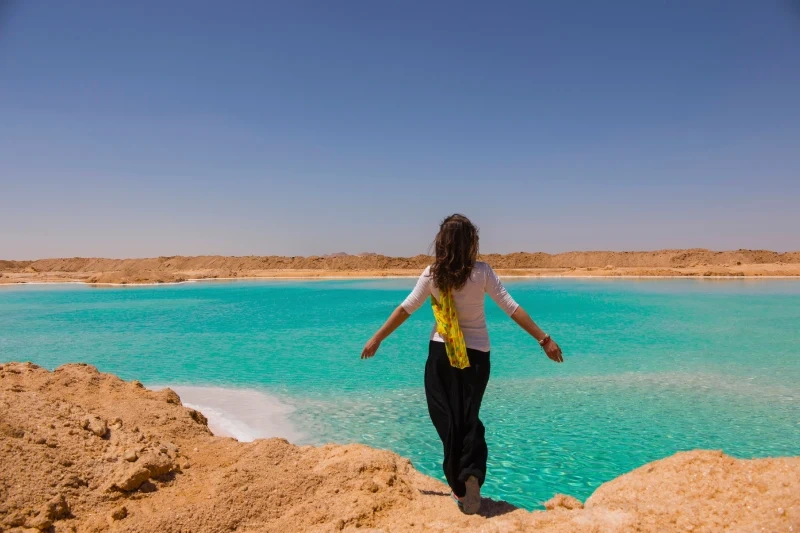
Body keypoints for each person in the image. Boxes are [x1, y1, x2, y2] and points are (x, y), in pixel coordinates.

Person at [361, 214, 563, 515]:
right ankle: (471, 474)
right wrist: (544, 339)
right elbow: (511, 307)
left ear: (442, 242)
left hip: (442, 354)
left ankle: (459, 481)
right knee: (468, 416)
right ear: (471, 242)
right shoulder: (481, 273)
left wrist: (377, 338)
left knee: (445, 415)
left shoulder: (433, 274)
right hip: (478, 356)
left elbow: (406, 309)